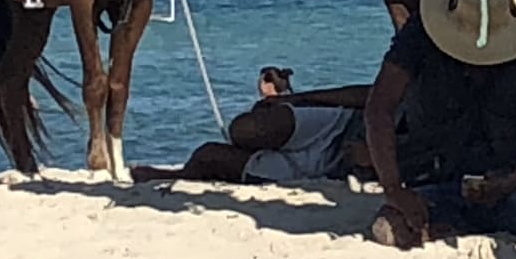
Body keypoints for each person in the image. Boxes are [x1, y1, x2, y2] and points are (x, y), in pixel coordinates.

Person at [365, 0, 516, 249]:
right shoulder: (418, 37)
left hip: (506, 186)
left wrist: (508, 182)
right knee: (391, 230)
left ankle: (459, 226)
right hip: (431, 180)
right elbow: (379, 108)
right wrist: (394, 188)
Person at [129, 66, 373, 184]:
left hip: (338, 164)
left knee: (209, 154)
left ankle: (178, 175)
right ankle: (278, 103)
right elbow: (370, 94)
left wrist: (375, 159)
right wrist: (299, 99)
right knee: (246, 128)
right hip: (343, 123)